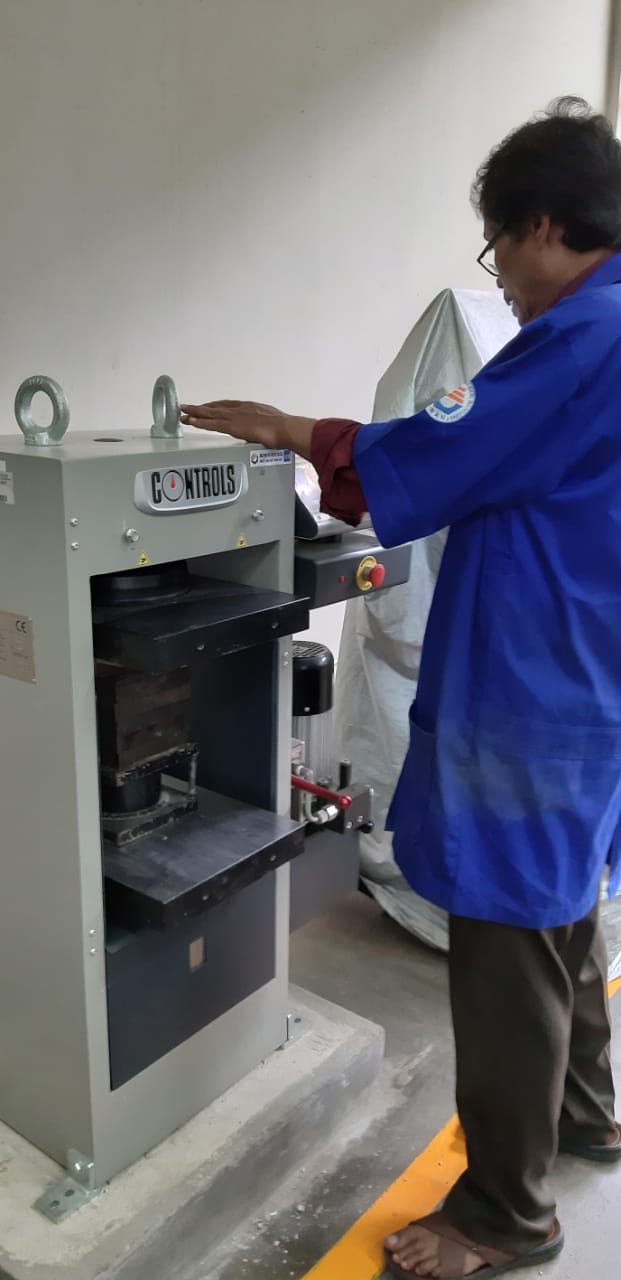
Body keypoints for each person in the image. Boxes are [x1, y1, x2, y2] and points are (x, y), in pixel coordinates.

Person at [181, 97, 621, 1279]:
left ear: (542, 225)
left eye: (499, 249)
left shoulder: (584, 340)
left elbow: (438, 449)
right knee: (562, 904)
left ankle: (505, 1213)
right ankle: (587, 1112)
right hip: (592, 679)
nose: (503, 281)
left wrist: (295, 429)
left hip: (535, 685)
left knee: (507, 935)